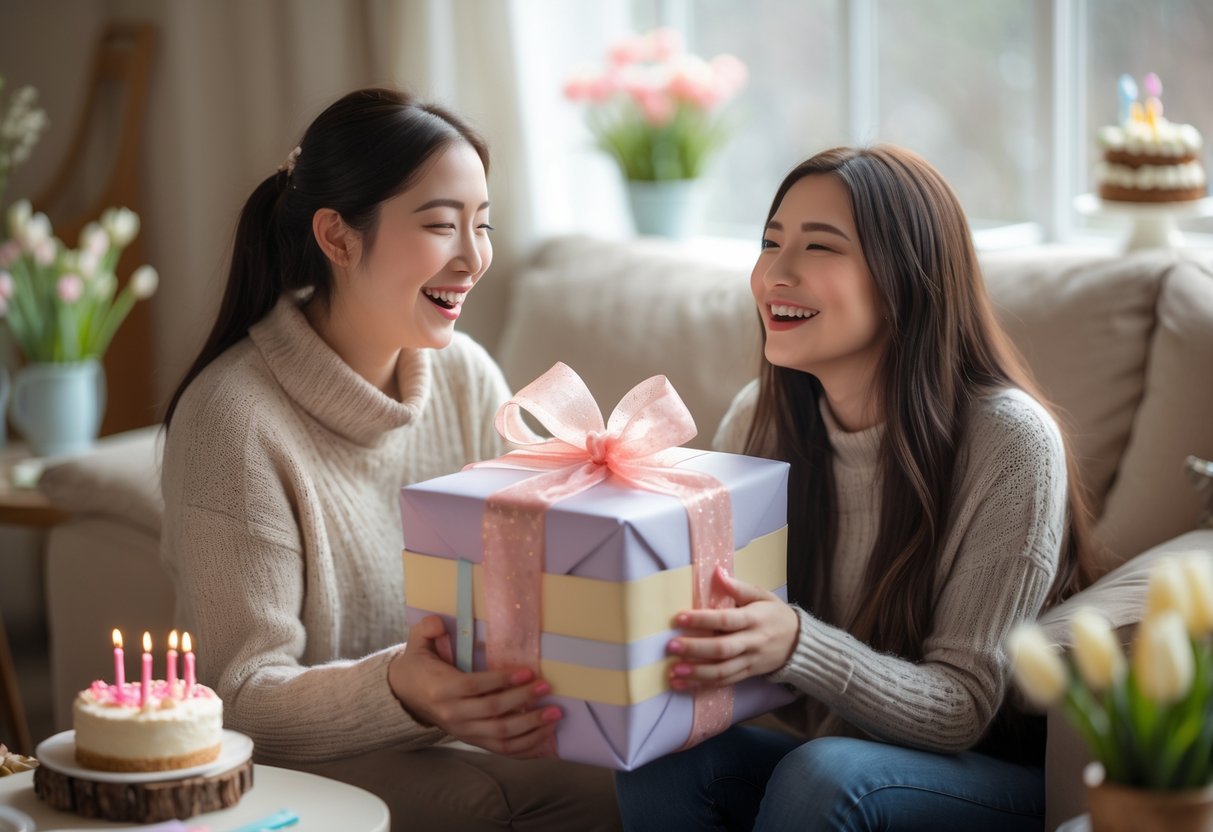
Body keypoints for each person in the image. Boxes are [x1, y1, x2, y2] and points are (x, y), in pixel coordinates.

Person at [161, 87, 620, 831]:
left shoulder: (464, 372)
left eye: (483, 224)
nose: (473, 258)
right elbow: (235, 697)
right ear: (338, 238)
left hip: (448, 729)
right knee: (481, 804)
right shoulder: (234, 419)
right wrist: (404, 690)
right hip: (291, 761)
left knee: (665, 774)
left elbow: (528, 577)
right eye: (441, 225)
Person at [613, 145, 1102, 831]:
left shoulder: (1009, 441)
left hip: (985, 779)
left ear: (905, 276)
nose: (775, 274)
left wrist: (794, 644)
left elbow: (961, 708)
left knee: (825, 774)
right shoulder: (758, 418)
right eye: (770, 242)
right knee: (661, 755)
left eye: (820, 247)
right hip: (827, 757)